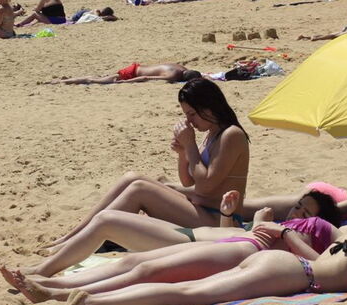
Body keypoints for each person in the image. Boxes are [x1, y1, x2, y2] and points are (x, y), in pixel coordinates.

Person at [50, 180, 347, 305]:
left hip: (287, 263)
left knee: (176, 283)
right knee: (187, 294)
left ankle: (68, 294)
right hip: (296, 274)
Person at [2, 192, 343, 302]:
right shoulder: (281, 222)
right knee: (132, 263)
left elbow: (323, 264)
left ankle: (55, 292)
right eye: (299, 206)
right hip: (230, 242)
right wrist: (232, 216)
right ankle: (51, 284)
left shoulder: (322, 229)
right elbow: (228, 235)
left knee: (147, 271)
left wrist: (285, 236)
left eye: (306, 212)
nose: (298, 213)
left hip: (241, 251)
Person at [48, 78, 250, 248]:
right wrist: (183, 155)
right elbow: (189, 182)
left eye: (192, 114)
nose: (190, 121)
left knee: (139, 189)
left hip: (220, 220)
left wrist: (190, 145)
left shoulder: (231, 134)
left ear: (208, 107)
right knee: (132, 178)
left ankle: (79, 241)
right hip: (202, 210)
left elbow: (206, 186)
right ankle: (74, 235)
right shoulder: (212, 133)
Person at [50, 63, 201, 85]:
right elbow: (146, 78)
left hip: (136, 67)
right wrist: (126, 82)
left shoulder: (181, 67)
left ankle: (67, 79)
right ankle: (65, 82)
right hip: (131, 73)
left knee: (102, 76)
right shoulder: (174, 76)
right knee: (95, 81)